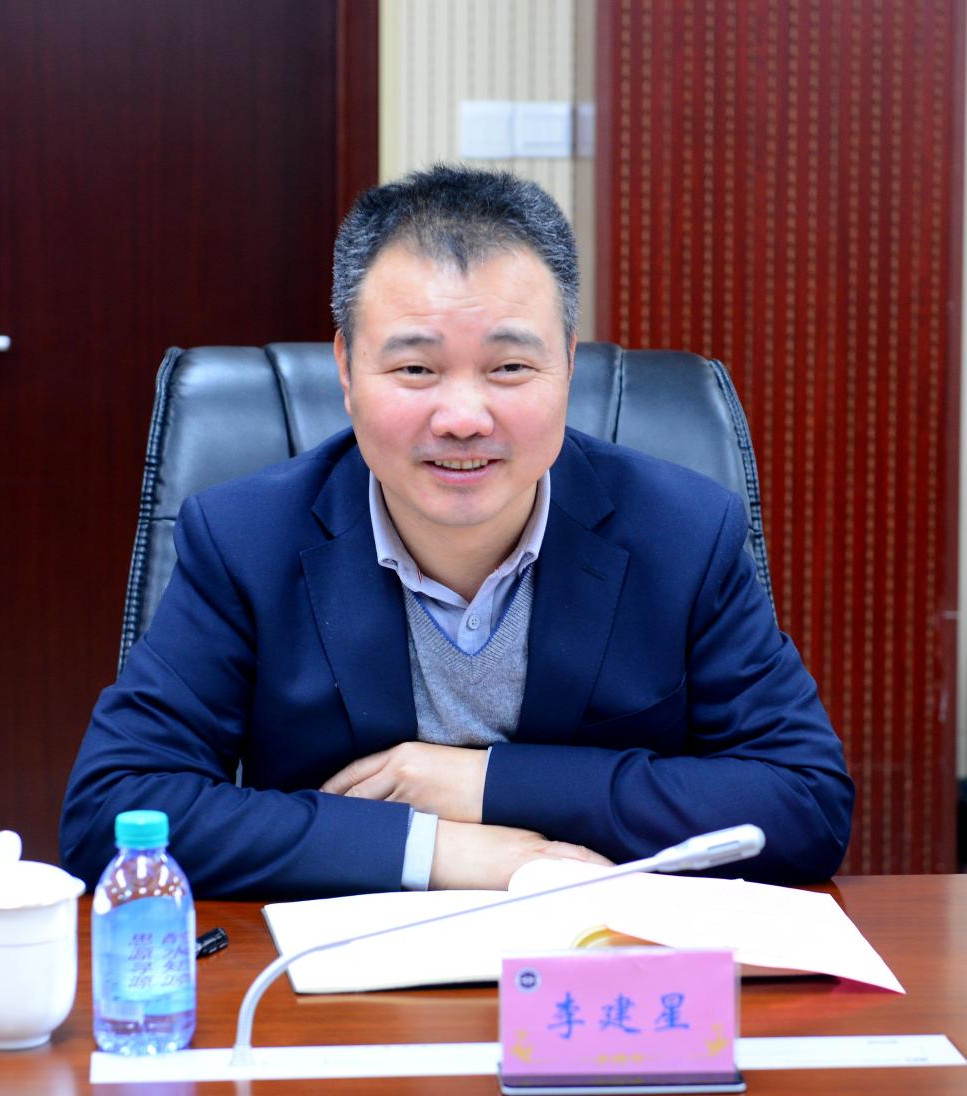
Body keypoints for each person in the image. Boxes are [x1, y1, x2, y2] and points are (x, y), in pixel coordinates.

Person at [60, 165, 853, 899]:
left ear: (567, 365)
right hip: (344, 980)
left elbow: (806, 802)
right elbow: (111, 812)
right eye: (416, 369)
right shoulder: (245, 540)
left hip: (597, 963)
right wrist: (437, 848)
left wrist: (482, 783)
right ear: (346, 370)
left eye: (509, 368)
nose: (464, 418)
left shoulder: (683, 533)